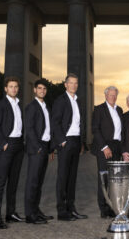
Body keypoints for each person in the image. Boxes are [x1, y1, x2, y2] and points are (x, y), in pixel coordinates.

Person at [51, 73, 88, 221]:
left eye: (76, 83)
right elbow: (55, 122)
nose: (74, 85)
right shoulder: (60, 101)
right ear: (65, 85)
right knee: (63, 177)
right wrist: (62, 141)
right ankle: (62, 211)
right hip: (66, 142)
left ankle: (71, 209)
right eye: (71, 83)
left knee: (72, 178)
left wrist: (81, 143)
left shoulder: (78, 101)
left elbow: (80, 124)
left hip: (76, 141)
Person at [0, 76, 26, 229]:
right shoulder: (0, 105)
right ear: (5, 89)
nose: (14, 89)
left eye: (16, 86)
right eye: (11, 86)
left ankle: (10, 213)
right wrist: (3, 143)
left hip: (18, 145)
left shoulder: (18, 104)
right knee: (1, 182)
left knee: (14, 181)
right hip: (7, 144)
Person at [23, 79, 55, 224]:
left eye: (44, 89)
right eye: (39, 88)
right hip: (36, 148)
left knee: (39, 181)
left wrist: (49, 149)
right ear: (34, 90)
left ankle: (36, 210)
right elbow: (29, 130)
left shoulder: (46, 107)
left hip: (44, 146)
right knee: (32, 181)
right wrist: (38, 147)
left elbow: (48, 129)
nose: (42, 91)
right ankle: (30, 214)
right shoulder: (31, 107)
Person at [91, 86, 123, 218]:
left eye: (115, 95)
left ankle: (111, 206)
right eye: (110, 95)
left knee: (113, 179)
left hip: (117, 147)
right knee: (104, 178)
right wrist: (104, 147)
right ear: (105, 95)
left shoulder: (119, 109)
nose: (113, 97)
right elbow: (95, 129)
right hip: (104, 146)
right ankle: (103, 209)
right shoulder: (99, 109)